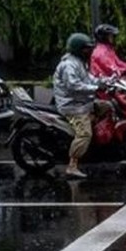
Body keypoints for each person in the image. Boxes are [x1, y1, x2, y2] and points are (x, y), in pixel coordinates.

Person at [53, 33, 102, 179]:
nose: (90, 51)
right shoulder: (69, 65)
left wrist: (105, 82)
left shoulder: (79, 61)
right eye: (87, 49)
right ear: (78, 49)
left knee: (107, 106)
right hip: (73, 106)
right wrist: (95, 89)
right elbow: (74, 86)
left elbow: (89, 78)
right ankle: (72, 166)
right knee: (85, 133)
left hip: (83, 102)